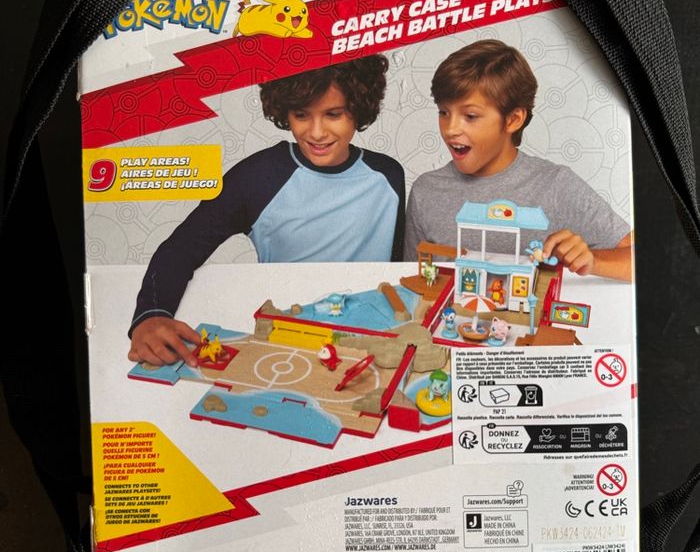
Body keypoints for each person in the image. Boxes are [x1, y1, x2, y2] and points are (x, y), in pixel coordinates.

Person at [129, 55, 405, 367]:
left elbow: (396, 267)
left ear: (359, 107)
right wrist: (151, 314)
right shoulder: (258, 177)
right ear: (285, 110)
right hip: (289, 336)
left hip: (370, 340)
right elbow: (181, 248)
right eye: (301, 114)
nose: (316, 132)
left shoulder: (388, 177)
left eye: (333, 114)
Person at [404, 40, 632, 281]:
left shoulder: (557, 184)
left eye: (470, 116)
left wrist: (593, 261)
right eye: (443, 112)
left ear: (513, 120)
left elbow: (640, 258)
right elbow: (412, 277)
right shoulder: (425, 191)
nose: (450, 129)